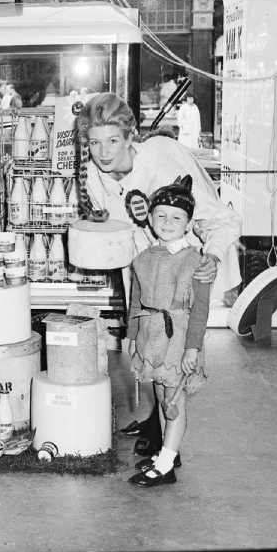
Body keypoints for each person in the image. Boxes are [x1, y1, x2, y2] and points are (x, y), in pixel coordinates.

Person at [72, 92, 241, 458]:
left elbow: (220, 219)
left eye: (113, 141)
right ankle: (155, 421)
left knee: (175, 356)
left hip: (184, 273)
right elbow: (121, 229)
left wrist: (211, 255)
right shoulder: (96, 175)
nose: (103, 152)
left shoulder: (162, 163)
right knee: (149, 351)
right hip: (147, 276)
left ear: (129, 137)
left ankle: (168, 450)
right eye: (95, 142)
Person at [125, 176, 209, 487]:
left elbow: (200, 309)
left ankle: (164, 467)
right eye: (160, 215)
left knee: (174, 401)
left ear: (188, 224)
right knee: (161, 396)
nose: (167, 222)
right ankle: (167, 454)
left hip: (179, 339)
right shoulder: (143, 259)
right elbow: (136, 303)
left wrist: (193, 348)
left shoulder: (195, 260)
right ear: (149, 218)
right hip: (151, 336)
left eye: (176, 217)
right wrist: (133, 338)